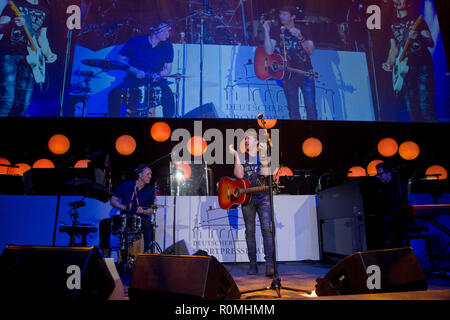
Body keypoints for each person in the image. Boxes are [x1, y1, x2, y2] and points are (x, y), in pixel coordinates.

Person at [228, 129, 275, 276]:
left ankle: (269, 265)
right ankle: (253, 265)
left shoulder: (264, 156)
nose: (246, 140)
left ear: (257, 141)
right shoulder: (243, 156)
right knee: (250, 232)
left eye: (249, 138)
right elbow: (239, 175)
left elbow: (267, 174)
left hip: (264, 197)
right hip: (247, 198)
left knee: (267, 230)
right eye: (245, 138)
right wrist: (236, 155)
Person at [382, 0, 437, 122]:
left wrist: (417, 36)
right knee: (412, 110)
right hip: (405, 70)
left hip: (423, 67)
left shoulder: (417, 20)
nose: (397, 1)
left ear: (408, 3)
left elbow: (431, 42)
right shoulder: (392, 24)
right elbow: (394, 48)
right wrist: (389, 62)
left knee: (425, 108)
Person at [0, 0, 57, 116]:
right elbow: (1, 27)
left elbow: (42, 37)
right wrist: (12, 24)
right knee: (6, 100)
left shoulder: (45, 11)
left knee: (22, 104)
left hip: (31, 58)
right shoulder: (15, 4)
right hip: (9, 54)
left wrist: (48, 53)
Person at [108, 21, 175, 118]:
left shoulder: (168, 46)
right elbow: (119, 59)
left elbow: (168, 70)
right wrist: (135, 71)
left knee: (169, 98)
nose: (167, 34)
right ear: (154, 30)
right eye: (164, 31)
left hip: (155, 81)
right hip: (134, 79)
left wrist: (158, 74)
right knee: (114, 94)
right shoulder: (135, 41)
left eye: (168, 30)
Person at [263, 5, 317, 120]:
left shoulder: (303, 30)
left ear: (293, 16)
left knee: (311, 107)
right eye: (280, 13)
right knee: (293, 110)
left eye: (285, 14)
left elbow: (310, 51)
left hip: (305, 72)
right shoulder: (277, 30)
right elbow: (269, 50)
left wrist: (300, 37)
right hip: (288, 74)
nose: (281, 16)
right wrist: (266, 32)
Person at [99, 164, 156, 257]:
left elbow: (152, 210)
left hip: (140, 219)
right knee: (104, 223)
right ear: (140, 175)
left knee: (148, 224)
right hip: (125, 217)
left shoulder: (150, 190)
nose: (150, 176)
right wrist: (124, 207)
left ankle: (148, 253)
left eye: (151, 174)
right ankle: (105, 254)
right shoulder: (126, 185)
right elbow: (113, 201)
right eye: (148, 174)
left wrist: (143, 211)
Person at [375, 162, 412, 248]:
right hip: (389, 215)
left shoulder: (398, 184)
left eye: (380, 174)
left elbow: (398, 202)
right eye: (377, 174)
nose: (379, 176)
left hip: (398, 216)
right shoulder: (380, 186)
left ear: (389, 173)